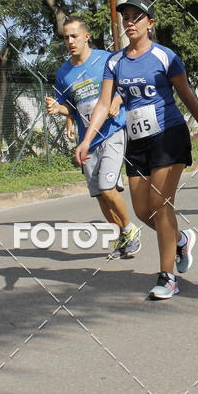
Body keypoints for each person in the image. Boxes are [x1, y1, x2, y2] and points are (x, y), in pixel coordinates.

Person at [75, 0, 198, 299]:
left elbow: (186, 94)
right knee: (143, 211)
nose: (130, 22)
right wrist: (86, 139)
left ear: (150, 23)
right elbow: (105, 103)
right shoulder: (115, 62)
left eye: (137, 17)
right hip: (137, 140)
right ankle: (181, 240)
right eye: (126, 17)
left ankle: (167, 277)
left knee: (160, 206)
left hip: (168, 135)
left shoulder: (164, 56)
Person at [45, 17, 140, 259]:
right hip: (87, 138)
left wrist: (117, 101)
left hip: (112, 131)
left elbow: (125, 86)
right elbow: (70, 106)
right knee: (99, 194)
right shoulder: (64, 73)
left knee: (108, 187)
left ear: (86, 36)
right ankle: (123, 238)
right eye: (66, 37)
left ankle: (131, 230)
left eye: (74, 36)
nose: (70, 41)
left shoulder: (106, 59)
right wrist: (60, 111)